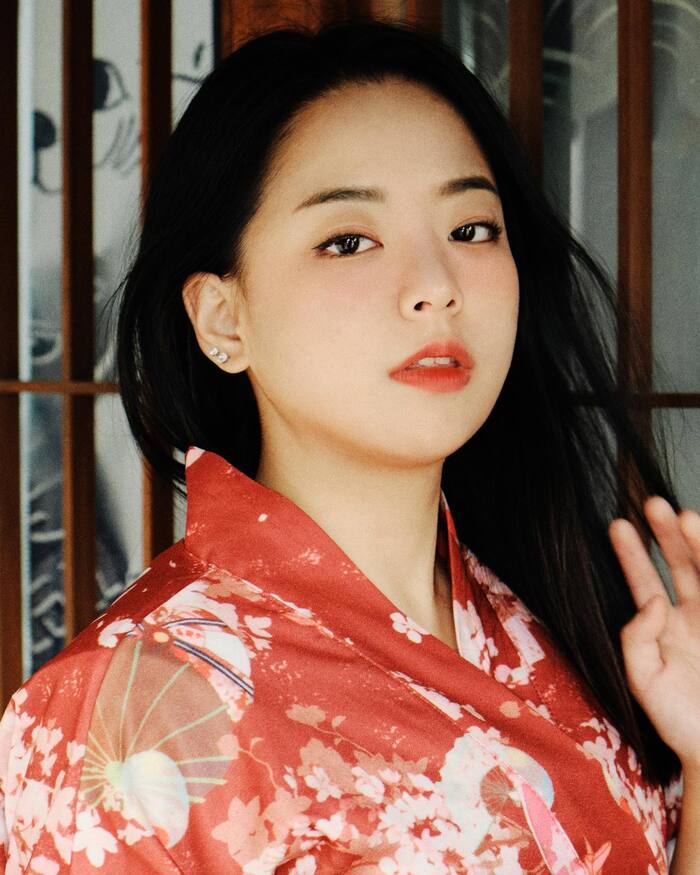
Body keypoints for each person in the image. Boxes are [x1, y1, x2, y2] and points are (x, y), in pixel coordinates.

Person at [1, 16, 698, 874]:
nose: (435, 286)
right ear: (223, 319)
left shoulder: (559, 618)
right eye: (348, 241)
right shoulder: (122, 712)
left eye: (471, 229)